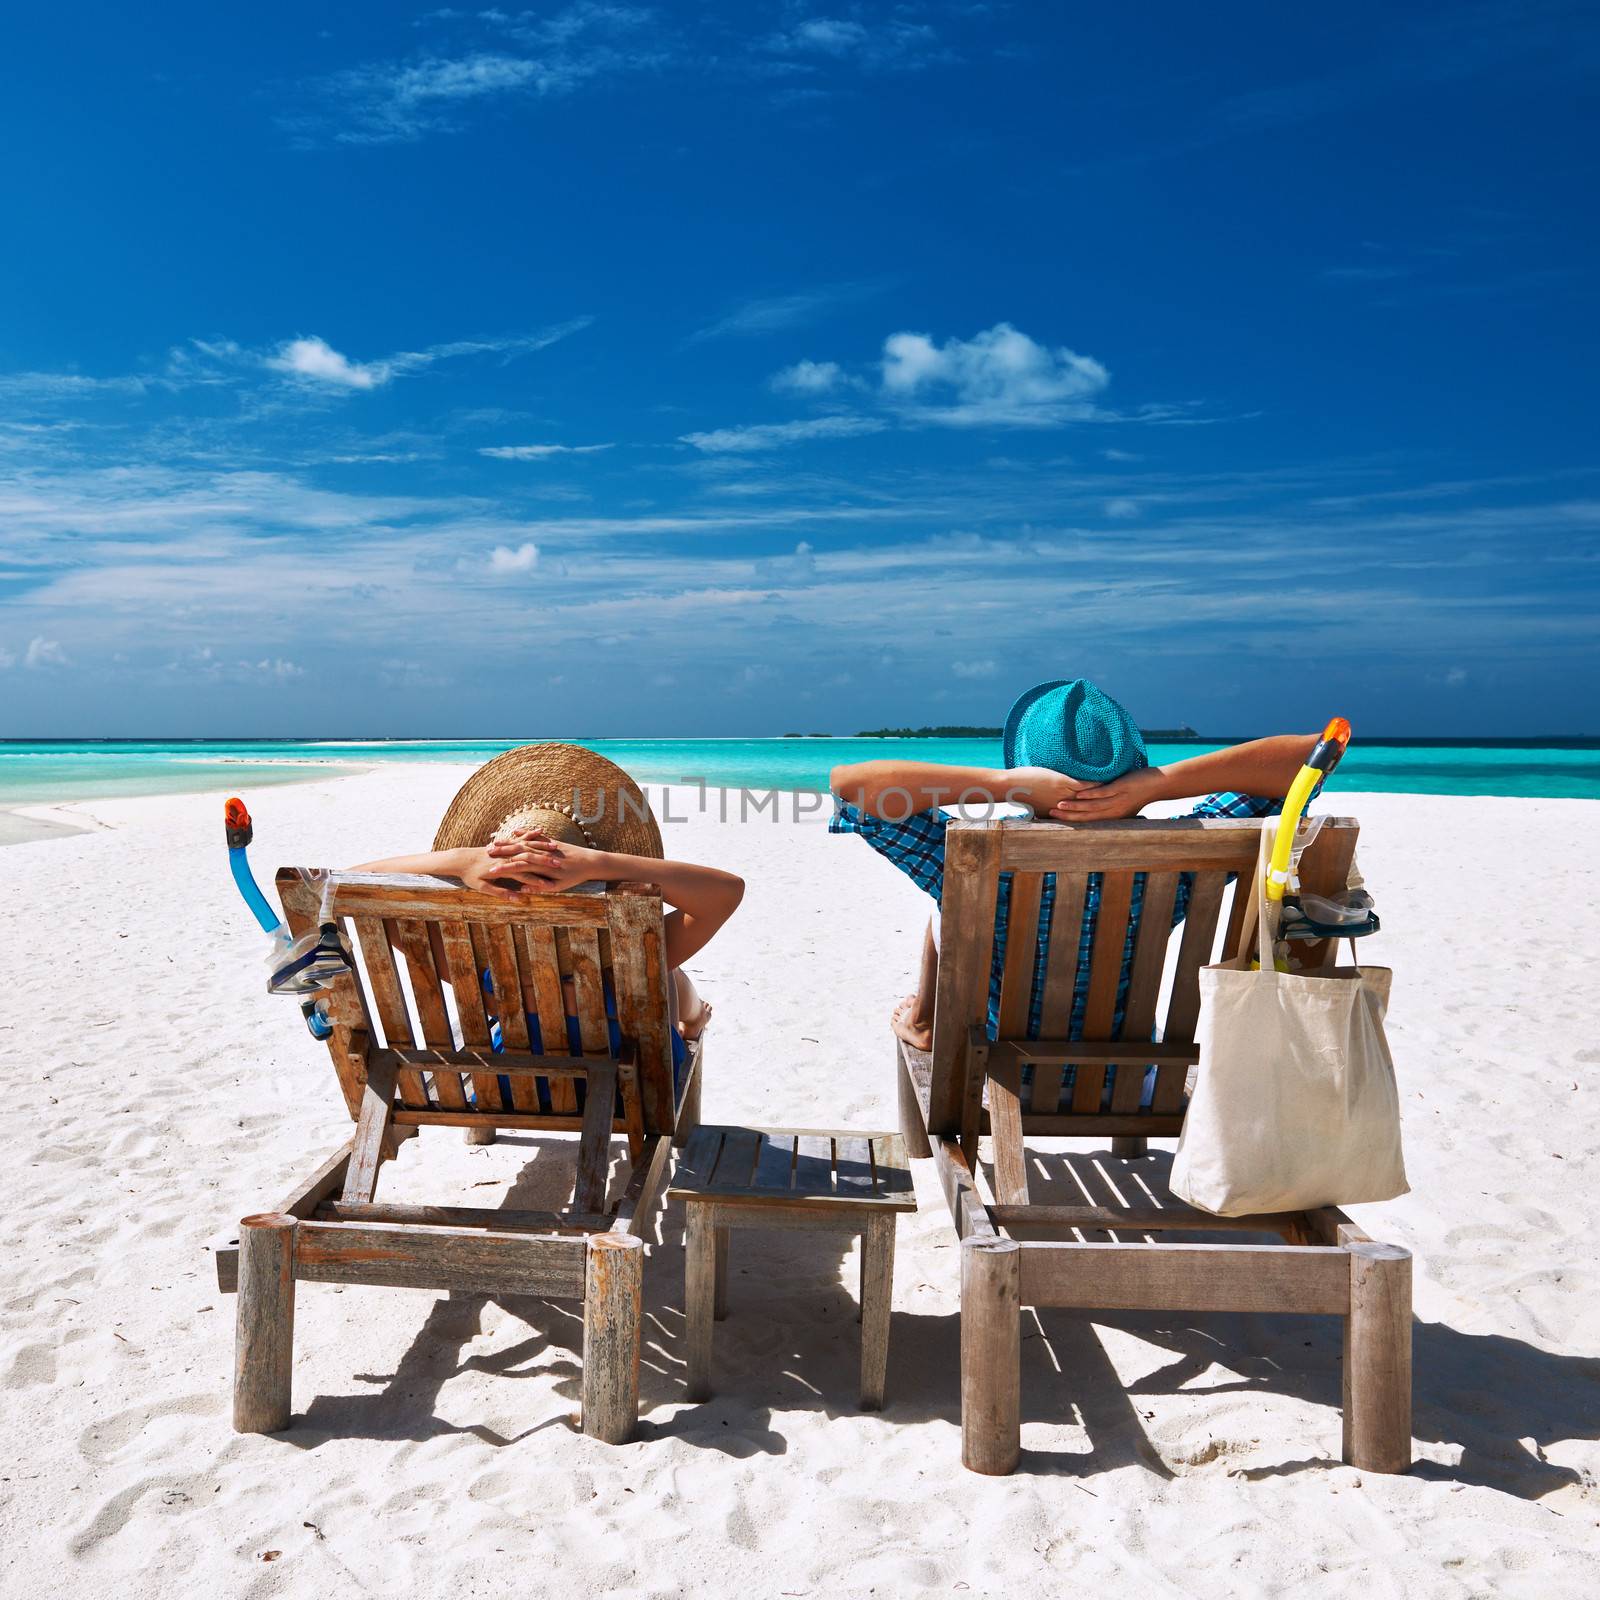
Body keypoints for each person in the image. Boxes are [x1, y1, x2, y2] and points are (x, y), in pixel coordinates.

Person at [829, 679, 1323, 1054]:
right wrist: (1159, 783)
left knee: (947, 910)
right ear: (1133, 763)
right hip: (1129, 1074)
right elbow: (1317, 757)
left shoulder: (975, 856)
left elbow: (851, 787)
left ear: (1028, 769)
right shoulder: (1180, 858)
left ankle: (922, 1023)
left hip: (994, 1066)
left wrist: (1001, 785)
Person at [353, 743, 742, 1048]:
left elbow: (350, 883)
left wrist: (462, 860)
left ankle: (692, 1020)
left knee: (662, 967)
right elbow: (727, 891)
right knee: (664, 969)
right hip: (632, 1092)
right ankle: (693, 1022)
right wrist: (598, 862)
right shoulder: (627, 962)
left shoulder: (473, 967)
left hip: (510, 1090)